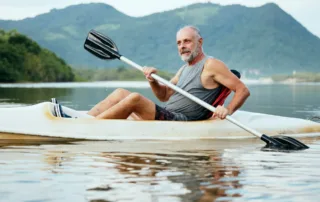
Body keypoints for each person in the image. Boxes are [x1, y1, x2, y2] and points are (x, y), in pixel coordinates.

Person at [87, 25, 250, 121]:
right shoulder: (184, 68)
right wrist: (152, 80)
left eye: (187, 41)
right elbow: (164, 95)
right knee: (120, 93)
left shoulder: (211, 65)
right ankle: (84, 119)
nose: (182, 46)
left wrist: (227, 110)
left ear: (200, 42)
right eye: (179, 43)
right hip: (166, 114)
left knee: (135, 99)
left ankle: (89, 127)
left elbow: (243, 90)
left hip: (179, 120)